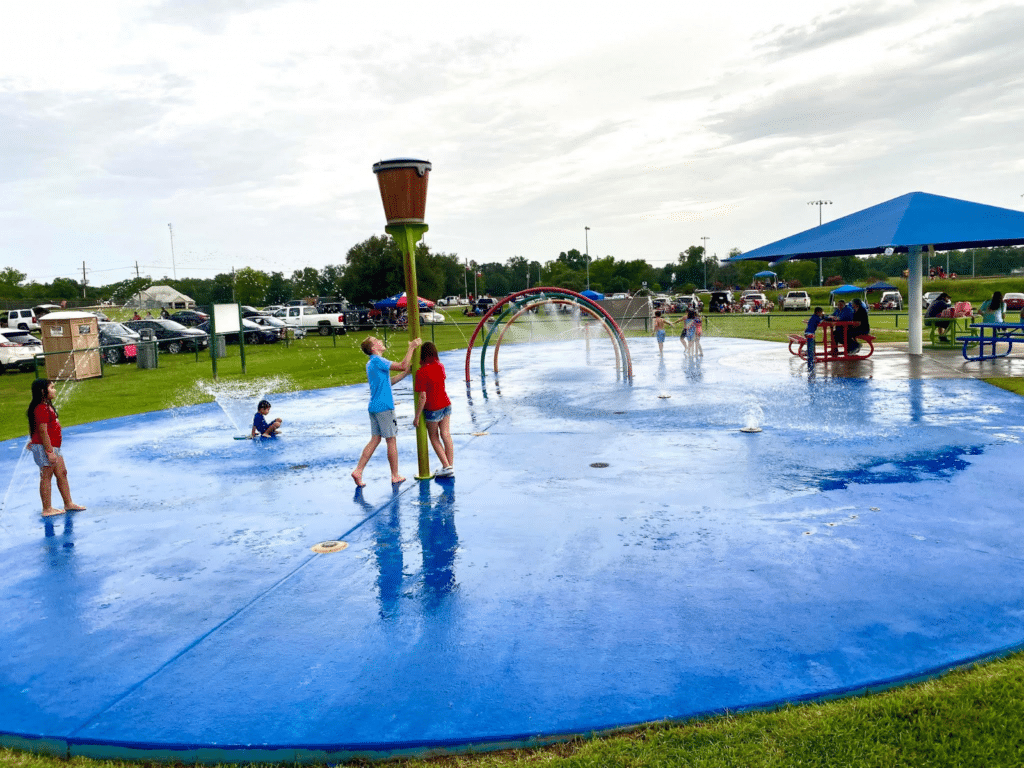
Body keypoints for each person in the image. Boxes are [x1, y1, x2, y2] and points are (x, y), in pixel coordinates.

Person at [351, 336, 422, 487]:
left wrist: (406, 373)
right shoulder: (378, 360)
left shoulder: (371, 364)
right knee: (391, 440)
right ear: (373, 348)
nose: (380, 340)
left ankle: (358, 470)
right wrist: (412, 347)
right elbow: (403, 365)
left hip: (374, 406)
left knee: (375, 439)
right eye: (376, 340)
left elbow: (389, 382)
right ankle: (395, 475)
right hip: (385, 407)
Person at [26, 378, 86, 517]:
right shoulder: (40, 408)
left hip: (52, 447)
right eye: (52, 387)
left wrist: (32, 439)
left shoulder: (46, 405)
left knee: (62, 473)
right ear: (43, 391)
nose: (54, 390)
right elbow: (42, 430)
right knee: (46, 476)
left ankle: (68, 503)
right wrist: (49, 452)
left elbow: (33, 426)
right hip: (46, 447)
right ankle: (47, 509)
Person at [413, 342, 454, 477]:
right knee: (446, 434)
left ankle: (446, 466)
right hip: (445, 403)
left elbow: (423, 397)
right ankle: (449, 466)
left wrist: (417, 416)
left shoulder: (421, 372)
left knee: (434, 436)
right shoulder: (440, 366)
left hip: (433, 408)